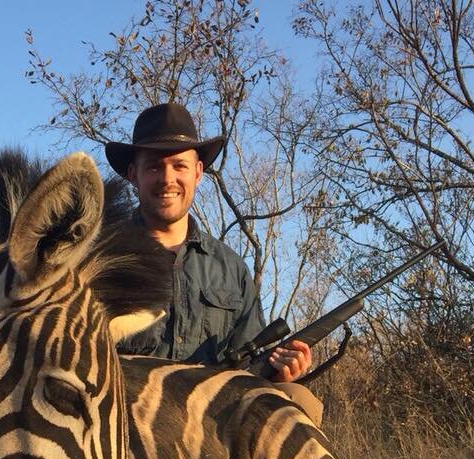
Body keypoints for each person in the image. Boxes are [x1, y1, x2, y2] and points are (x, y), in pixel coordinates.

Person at [106, 102, 321, 421]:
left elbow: (250, 362)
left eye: (179, 166)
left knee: (299, 400)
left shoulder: (230, 267)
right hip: (125, 415)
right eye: (154, 167)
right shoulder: (104, 256)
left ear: (197, 173)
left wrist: (281, 372)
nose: (168, 178)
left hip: (210, 417)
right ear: (133, 175)